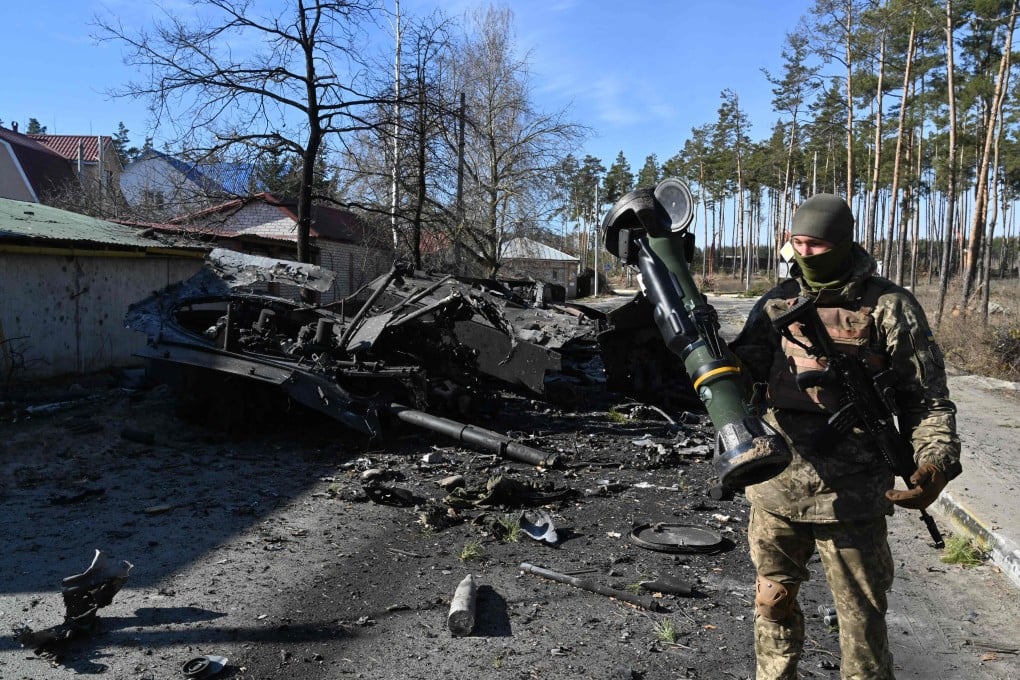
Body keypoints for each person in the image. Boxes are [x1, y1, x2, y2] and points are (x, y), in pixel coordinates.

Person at [728, 193, 962, 680]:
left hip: (853, 495)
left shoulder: (890, 307)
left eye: (817, 245)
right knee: (772, 603)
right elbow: (738, 380)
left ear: (843, 243)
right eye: (798, 243)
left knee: (861, 627)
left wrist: (934, 462)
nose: (805, 254)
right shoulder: (774, 303)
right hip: (777, 488)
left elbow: (927, 399)